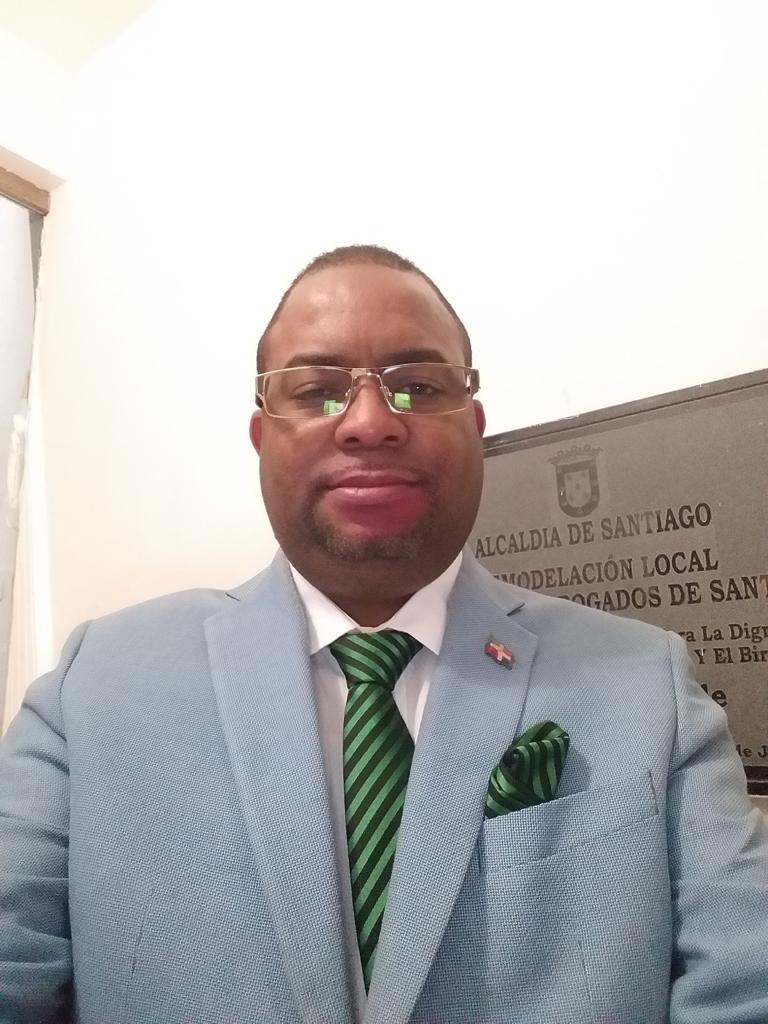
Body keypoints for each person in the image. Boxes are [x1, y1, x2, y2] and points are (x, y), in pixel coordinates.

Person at [1, 245, 766, 1024]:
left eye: (419, 387)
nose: (370, 423)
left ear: (473, 427)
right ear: (262, 437)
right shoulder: (94, 688)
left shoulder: (644, 683)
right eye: (318, 391)